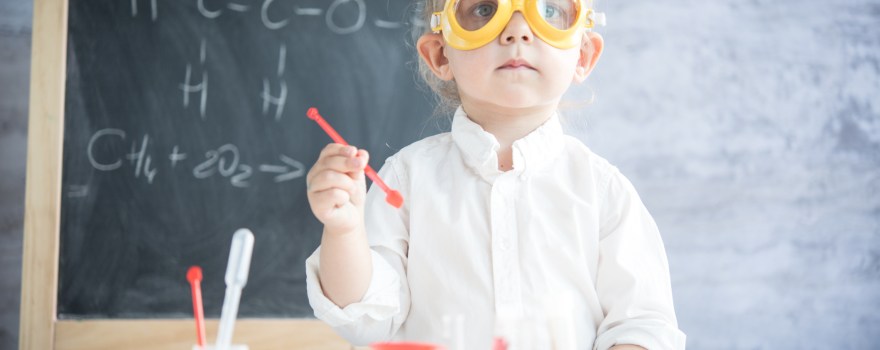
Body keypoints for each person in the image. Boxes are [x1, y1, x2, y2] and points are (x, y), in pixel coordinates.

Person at [304, 0, 686, 348]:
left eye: (549, 12)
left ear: (583, 55)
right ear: (440, 55)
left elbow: (641, 325)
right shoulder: (406, 179)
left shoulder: (605, 193)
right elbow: (366, 320)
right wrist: (344, 231)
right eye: (484, 11)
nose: (517, 31)